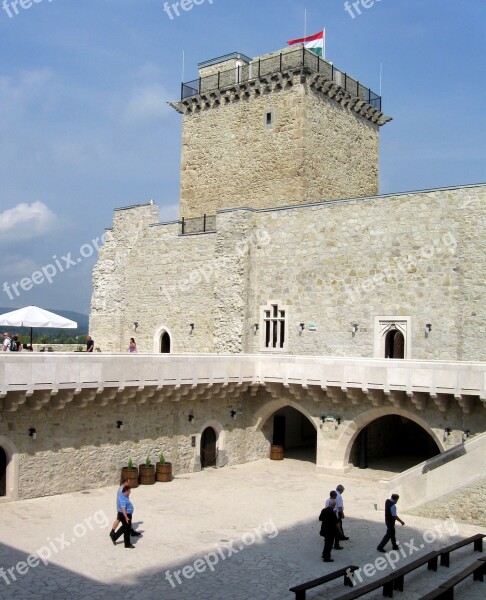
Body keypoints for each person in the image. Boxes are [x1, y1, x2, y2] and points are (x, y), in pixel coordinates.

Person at [319, 496, 339, 562]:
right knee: (329, 544)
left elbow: (320, 518)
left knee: (326, 543)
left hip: (324, 529)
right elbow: (336, 523)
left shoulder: (323, 510)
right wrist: (339, 530)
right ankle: (326, 557)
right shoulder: (332, 513)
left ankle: (324, 554)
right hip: (330, 531)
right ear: (333, 505)